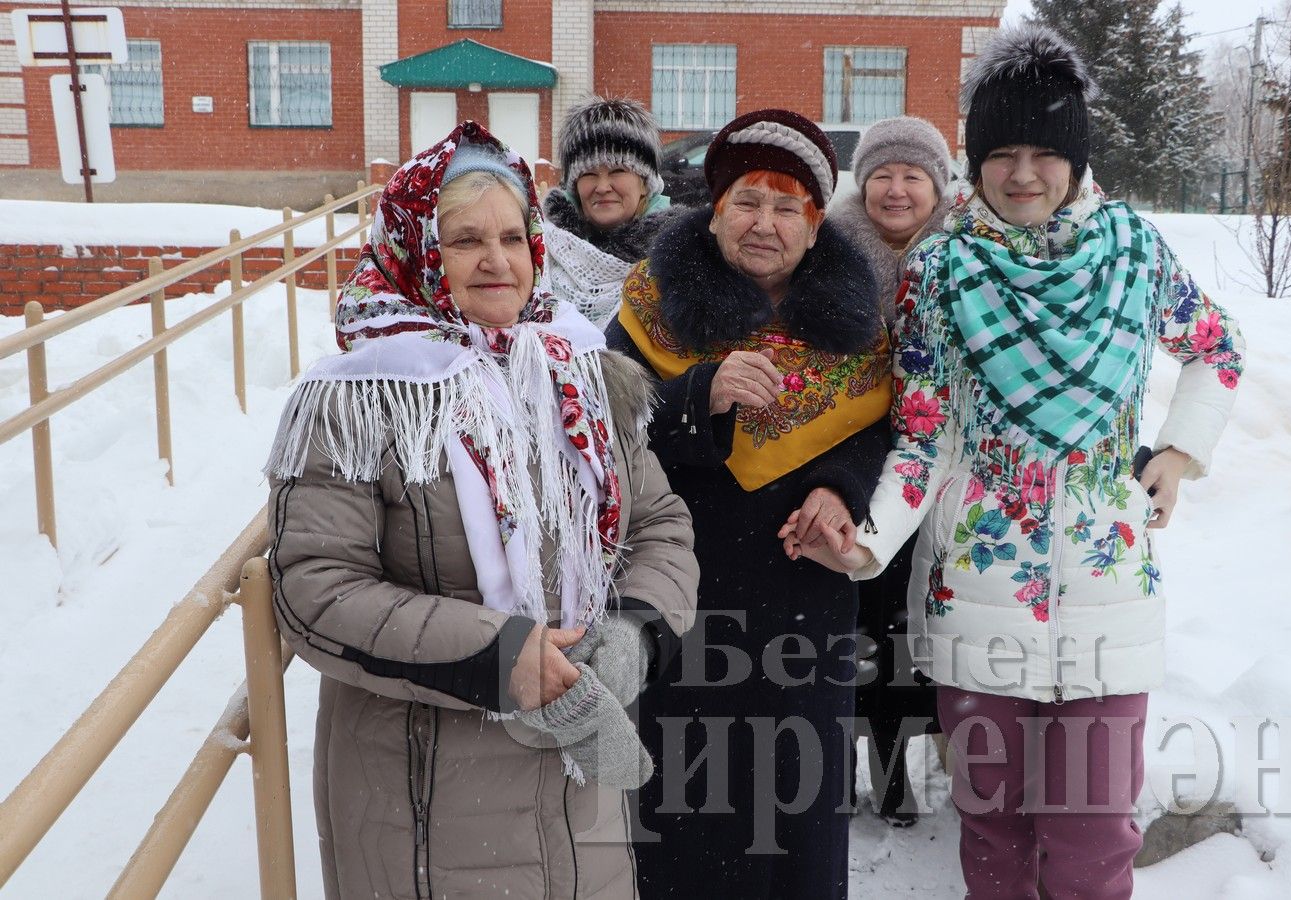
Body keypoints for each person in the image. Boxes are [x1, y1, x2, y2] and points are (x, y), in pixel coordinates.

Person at [783, 26, 1245, 900]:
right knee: (991, 817)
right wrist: (868, 540)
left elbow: (1215, 347)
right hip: (976, 587)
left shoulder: (1134, 254)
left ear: (1075, 160)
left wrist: (1181, 451)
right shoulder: (940, 269)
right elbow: (922, 434)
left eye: (1044, 152)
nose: (1023, 173)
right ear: (975, 160)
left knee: (1092, 827)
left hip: (1107, 586)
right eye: (1001, 153)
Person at [265, 122, 699, 900]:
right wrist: (498, 656)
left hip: (582, 771)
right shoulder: (363, 396)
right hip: (426, 793)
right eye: (465, 240)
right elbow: (315, 589)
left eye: (512, 236)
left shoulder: (581, 374)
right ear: (417, 252)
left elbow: (658, 522)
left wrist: (635, 626)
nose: (497, 261)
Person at [605, 108, 890, 900]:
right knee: (685, 810)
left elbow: (880, 432)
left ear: (813, 221)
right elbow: (600, 436)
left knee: (798, 811)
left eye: (786, 205)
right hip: (686, 600)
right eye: (746, 201)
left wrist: (838, 490)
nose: (764, 223)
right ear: (715, 208)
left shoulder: (859, 321)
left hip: (805, 601)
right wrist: (700, 394)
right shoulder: (648, 308)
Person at [826, 114, 954, 827]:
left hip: (937, 471)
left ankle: (896, 768)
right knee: (855, 627)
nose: (896, 189)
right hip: (851, 460)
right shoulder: (831, 251)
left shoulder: (965, 255)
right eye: (882, 174)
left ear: (936, 186)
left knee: (910, 633)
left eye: (912, 175)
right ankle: (844, 764)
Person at [541, 96, 682, 323]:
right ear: (574, 187)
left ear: (645, 184)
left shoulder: (678, 255)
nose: (603, 187)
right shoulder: (542, 252)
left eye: (617, 171)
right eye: (588, 174)